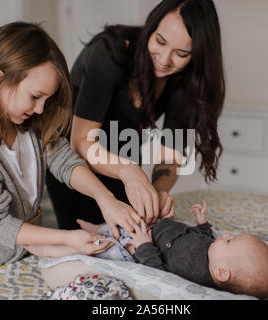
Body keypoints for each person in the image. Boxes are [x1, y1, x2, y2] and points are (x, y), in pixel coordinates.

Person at [0, 22, 141, 287]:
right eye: (35, 96)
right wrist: (67, 238)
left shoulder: (30, 124)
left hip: (26, 253)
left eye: (47, 99)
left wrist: (106, 199)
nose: (40, 109)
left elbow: (65, 161)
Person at [46, 0, 226, 234]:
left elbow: (171, 153)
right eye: (160, 41)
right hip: (75, 166)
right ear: (151, 27)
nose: (164, 59)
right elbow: (81, 142)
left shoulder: (187, 80)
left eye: (181, 54)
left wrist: (159, 190)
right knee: (82, 247)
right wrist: (128, 171)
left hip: (125, 163)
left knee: (129, 244)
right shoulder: (108, 53)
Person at [26, 200, 268, 299]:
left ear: (222, 273)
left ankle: (50, 251)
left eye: (231, 241)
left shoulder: (194, 270)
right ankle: (96, 227)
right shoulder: (213, 250)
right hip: (148, 228)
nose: (226, 236)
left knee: (102, 247)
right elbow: (205, 237)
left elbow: (158, 273)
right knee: (119, 220)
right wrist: (203, 222)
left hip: (133, 247)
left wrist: (144, 246)